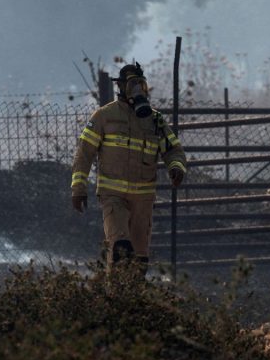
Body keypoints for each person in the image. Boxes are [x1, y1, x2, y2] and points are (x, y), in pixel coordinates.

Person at [70, 62, 187, 272]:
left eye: (140, 84)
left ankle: (128, 300)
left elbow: (173, 150)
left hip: (143, 199)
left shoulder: (155, 120)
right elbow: (84, 153)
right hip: (113, 196)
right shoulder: (104, 116)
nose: (137, 89)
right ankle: (114, 298)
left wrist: (176, 167)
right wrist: (78, 189)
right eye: (132, 84)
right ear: (121, 87)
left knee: (139, 261)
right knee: (121, 250)